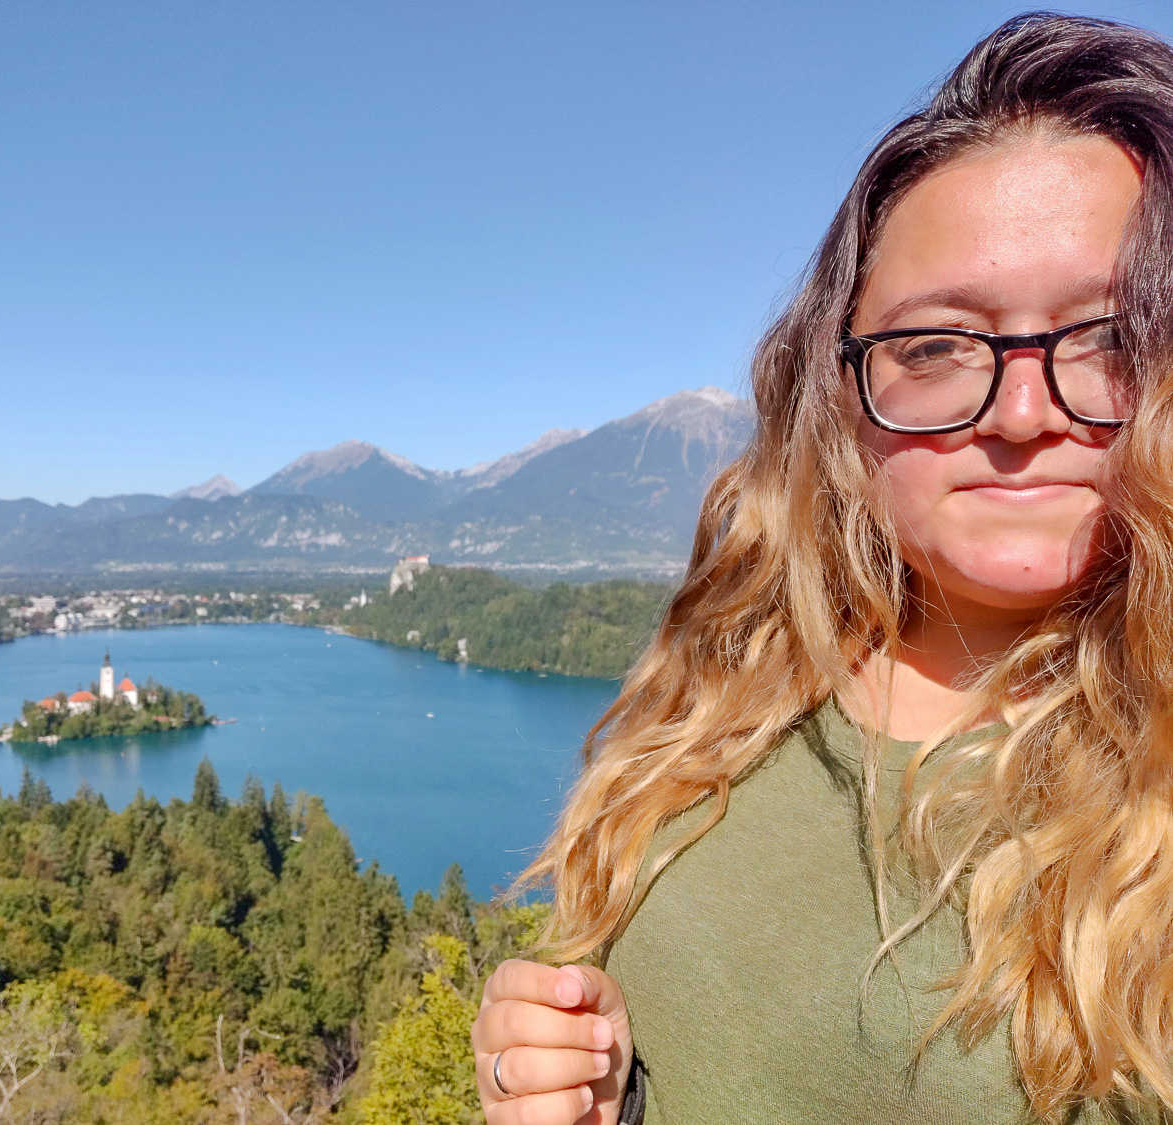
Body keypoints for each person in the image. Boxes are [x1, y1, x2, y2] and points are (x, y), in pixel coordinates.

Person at [472, 12, 1173, 1125]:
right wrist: (569, 1074)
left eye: (1113, 338)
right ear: (841, 394)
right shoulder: (734, 694)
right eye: (939, 346)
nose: (1025, 412)